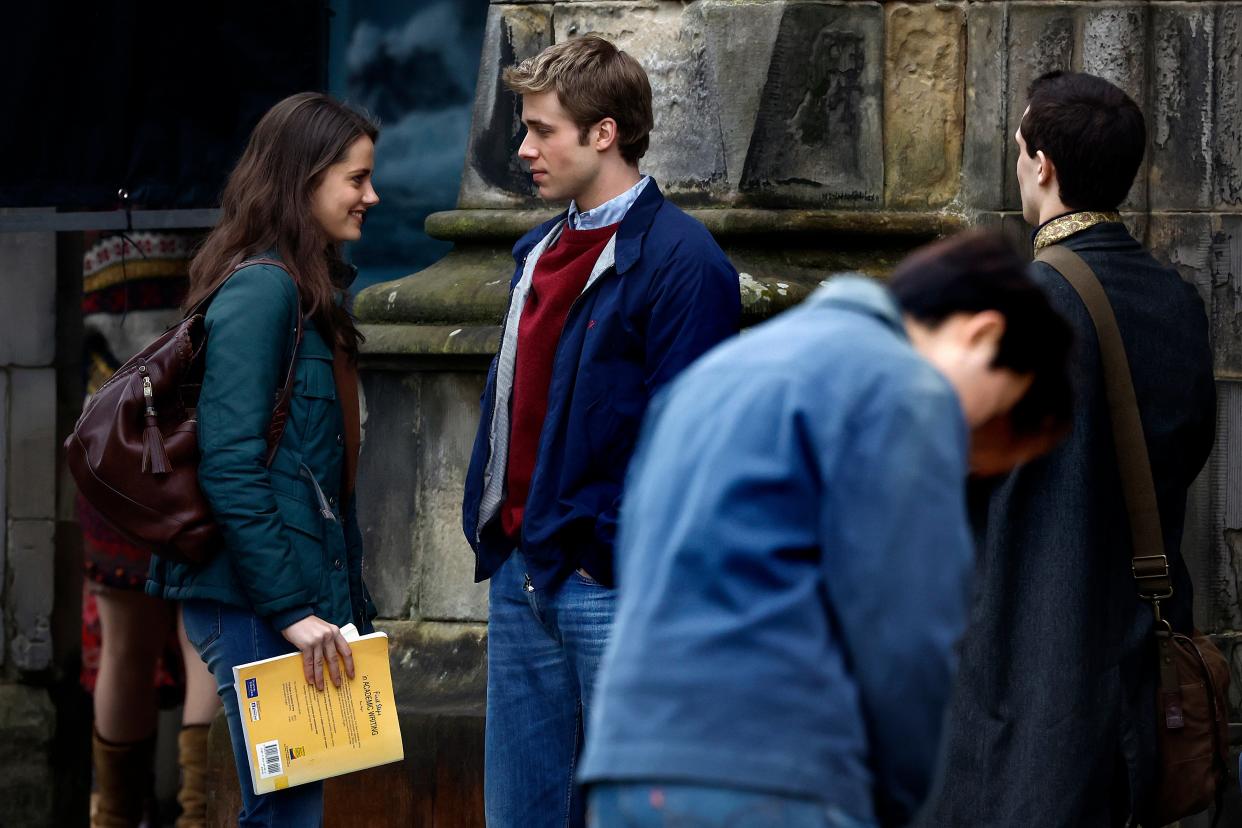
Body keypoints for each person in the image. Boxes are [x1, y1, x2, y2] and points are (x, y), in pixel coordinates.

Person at [578, 231, 1076, 828]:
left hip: (627, 767)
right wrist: (897, 799)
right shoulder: (903, 389)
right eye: (994, 411)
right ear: (982, 334)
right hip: (777, 774)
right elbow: (906, 633)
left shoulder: (718, 373)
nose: (975, 445)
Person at [921, 72, 1216, 827]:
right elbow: (1188, 449)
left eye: (1019, 148)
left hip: (1024, 682)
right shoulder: (1176, 300)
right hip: (1137, 678)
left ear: (1042, 164)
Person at [460, 34, 741, 828]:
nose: (524, 150)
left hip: (607, 586)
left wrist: (603, 557)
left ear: (604, 132)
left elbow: (690, 440)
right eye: (526, 129)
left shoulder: (685, 262)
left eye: (543, 130)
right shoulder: (537, 250)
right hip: (521, 575)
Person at [146, 91, 381, 826]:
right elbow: (231, 465)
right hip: (255, 605)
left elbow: (312, 481)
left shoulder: (307, 293)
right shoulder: (261, 292)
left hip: (285, 605)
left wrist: (347, 614)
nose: (371, 196)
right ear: (303, 178)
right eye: (356, 178)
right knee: (284, 814)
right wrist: (292, 612)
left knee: (290, 811)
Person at [80, 230, 220, 828]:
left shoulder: (95, 197)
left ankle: (112, 817)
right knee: (205, 645)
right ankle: (198, 817)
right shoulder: (220, 219)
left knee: (124, 649)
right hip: (194, 452)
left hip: (108, 453)